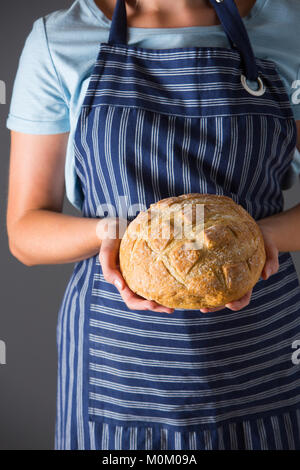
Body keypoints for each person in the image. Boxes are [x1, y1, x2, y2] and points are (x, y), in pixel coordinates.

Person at [6, 0, 300, 450]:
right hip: (118, 370)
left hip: (261, 355)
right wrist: (113, 235)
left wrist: (254, 239)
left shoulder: (289, 28)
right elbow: (24, 233)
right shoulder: (58, 41)